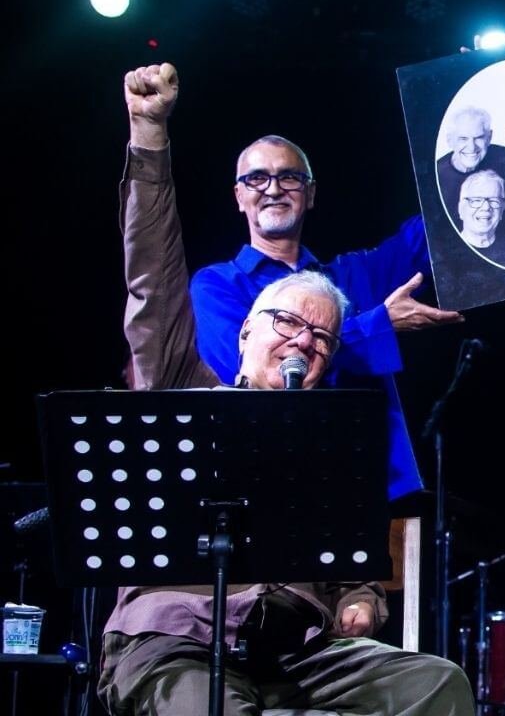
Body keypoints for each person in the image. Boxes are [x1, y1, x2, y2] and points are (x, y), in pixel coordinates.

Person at [103, 61, 474, 715]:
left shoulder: (330, 435)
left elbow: (441, 227)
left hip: (291, 647)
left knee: (437, 681)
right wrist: (149, 133)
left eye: (322, 338)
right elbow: (151, 275)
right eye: (286, 324)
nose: (303, 341)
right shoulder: (195, 357)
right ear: (248, 328)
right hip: (178, 638)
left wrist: (362, 597)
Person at [113, 61, 465, 502]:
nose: (274, 188)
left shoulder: (353, 276)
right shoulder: (216, 286)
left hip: (375, 495)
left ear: (311, 192)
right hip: (263, 492)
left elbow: (442, 225)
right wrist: (375, 326)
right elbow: (238, 373)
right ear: (239, 196)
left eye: (290, 177)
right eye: (256, 178)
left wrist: (460, 105)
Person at [437, 105, 505, 234]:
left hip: (503, 241)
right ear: (450, 140)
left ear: (489, 137)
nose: (471, 147)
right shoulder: (437, 175)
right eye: (463, 139)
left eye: (479, 138)